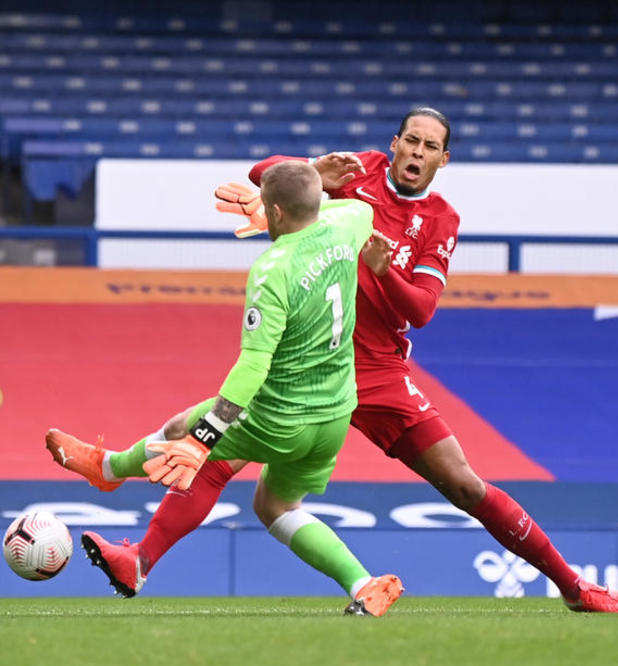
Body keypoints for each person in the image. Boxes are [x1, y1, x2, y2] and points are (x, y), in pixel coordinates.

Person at [47, 107, 618, 614]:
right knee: (218, 463)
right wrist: (314, 166)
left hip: (379, 371)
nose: (416, 152)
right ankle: (137, 552)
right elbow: (269, 178)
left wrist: (386, 273)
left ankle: (574, 587)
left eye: (430, 147)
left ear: (443, 160)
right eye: (410, 140)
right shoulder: (361, 175)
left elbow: (422, 309)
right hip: (308, 362)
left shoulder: (439, 220)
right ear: (394, 144)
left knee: (463, 483)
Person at [53, 161, 404, 616]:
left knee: (183, 430)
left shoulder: (273, 269)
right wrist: (306, 186)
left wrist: (205, 436)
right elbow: (350, 209)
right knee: (278, 506)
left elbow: (253, 366)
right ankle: (363, 584)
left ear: (274, 212)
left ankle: (109, 469)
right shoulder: (350, 222)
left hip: (280, 416)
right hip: (335, 414)